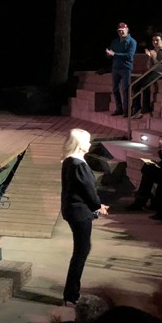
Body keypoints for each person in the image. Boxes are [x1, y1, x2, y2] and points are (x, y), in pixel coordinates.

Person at [60, 128, 109, 307]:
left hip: (74, 210)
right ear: (80, 145)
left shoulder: (70, 161)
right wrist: (98, 206)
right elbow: (87, 190)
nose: (90, 144)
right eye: (88, 141)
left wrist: (97, 205)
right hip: (79, 213)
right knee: (81, 252)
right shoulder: (78, 164)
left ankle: (71, 293)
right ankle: (71, 295)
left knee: (81, 250)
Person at [131, 32, 162, 118]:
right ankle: (137, 108)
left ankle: (146, 108)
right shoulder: (153, 50)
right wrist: (150, 57)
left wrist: (154, 57)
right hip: (153, 71)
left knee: (145, 85)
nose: (155, 42)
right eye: (153, 40)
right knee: (135, 85)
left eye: (157, 40)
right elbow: (149, 67)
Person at [105, 22, 136, 117]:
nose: (121, 32)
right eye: (119, 31)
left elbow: (129, 56)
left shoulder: (132, 42)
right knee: (115, 89)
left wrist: (115, 54)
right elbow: (111, 53)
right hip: (115, 68)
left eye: (122, 31)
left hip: (126, 68)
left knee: (125, 89)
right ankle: (119, 108)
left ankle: (127, 110)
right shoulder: (115, 41)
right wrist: (109, 55)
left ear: (127, 30)